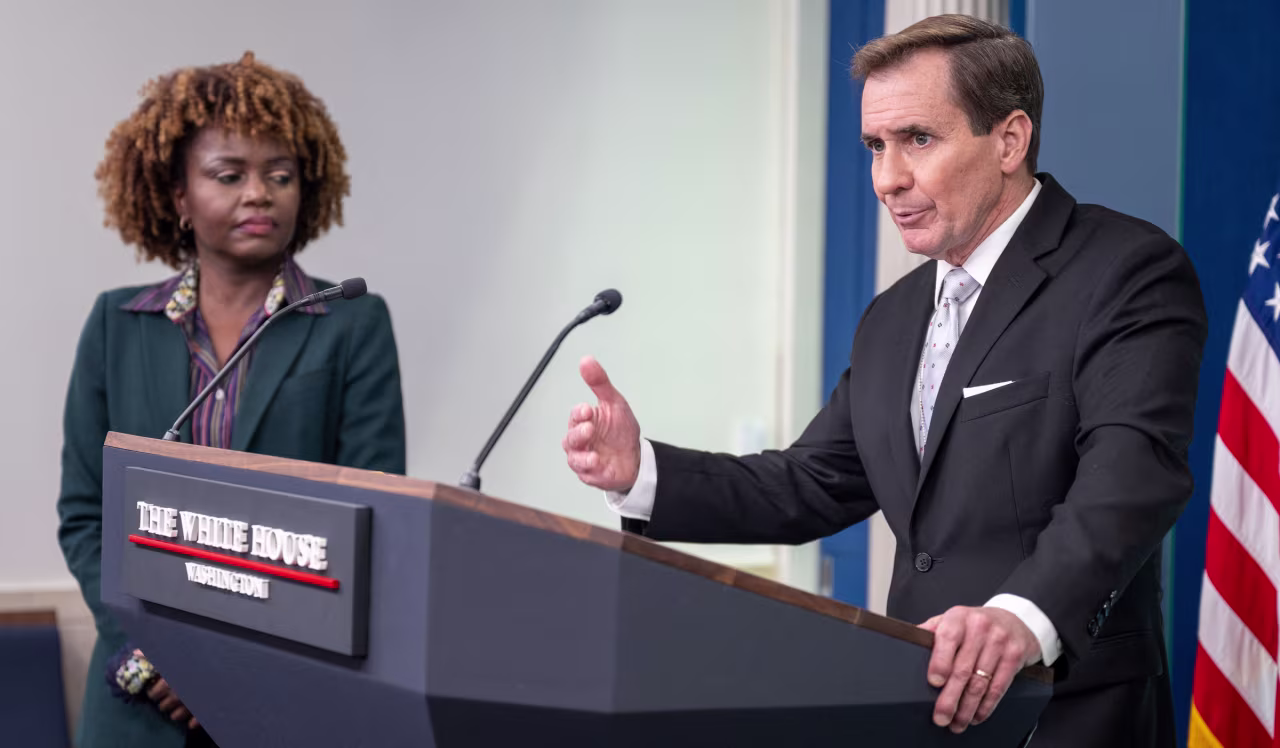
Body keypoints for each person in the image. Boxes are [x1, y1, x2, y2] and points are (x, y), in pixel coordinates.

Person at [563, 15, 1205, 747]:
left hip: (1071, 715)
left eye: (917, 140)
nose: (886, 177)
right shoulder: (892, 317)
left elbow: (1130, 476)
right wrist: (641, 471)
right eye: (875, 145)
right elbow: (808, 483)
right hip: (920, 709)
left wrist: (1018, 618)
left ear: (1009, 139)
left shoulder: (1123, 270)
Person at [57, 52, 407, 748]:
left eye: (281, 175)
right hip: (138, 709)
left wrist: (235, 666)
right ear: (180, 197)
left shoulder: (351, 323)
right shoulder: (114, 325)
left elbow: (369, 519)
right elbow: (86, 513)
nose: (260, 194)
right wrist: (153, 657)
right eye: (229, 175)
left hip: (286, 701)